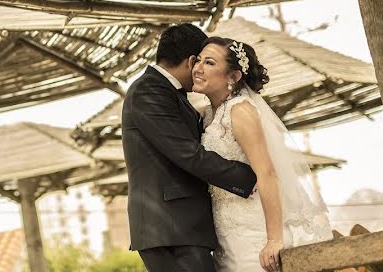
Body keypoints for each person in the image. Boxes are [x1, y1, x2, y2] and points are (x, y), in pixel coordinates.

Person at [122, 24, 257, 272]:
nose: (200, 71)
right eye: (201, 63)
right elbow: (187, 153)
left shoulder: (166, 91)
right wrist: (248, 177)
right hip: (170, 227)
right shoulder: (149, 90)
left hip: (181, 227)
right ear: (191, 60)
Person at [192, 37, 331, 272]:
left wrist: (274, 240)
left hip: (254, 232)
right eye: (198, 60)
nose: (198, 68)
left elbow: (266, 173)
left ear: (233, 77)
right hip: (226, 237)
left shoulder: (240, 111)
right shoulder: (207, 115)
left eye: (210, 63)